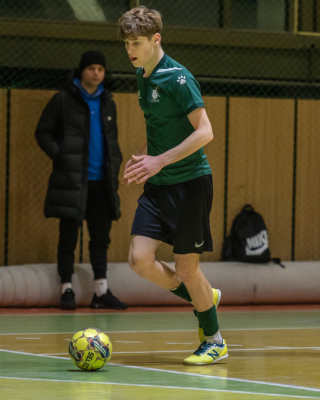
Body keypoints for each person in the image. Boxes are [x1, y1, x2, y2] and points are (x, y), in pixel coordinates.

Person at [118, 5, 227, 365]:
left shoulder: (178, 78)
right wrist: (143, 158)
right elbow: (159, 128)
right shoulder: (142, 76)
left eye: (136, 43)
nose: (130, 50)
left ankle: (214, 340)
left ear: (156, 39)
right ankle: (203, 297)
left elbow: (206, 132)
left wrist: (159, 160)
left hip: (190, 184)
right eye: (126, 44)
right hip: (159, 184)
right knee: (139, 260)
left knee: (187, 269)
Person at [35, 51, 127, 311]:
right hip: (72, 181)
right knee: (68, 238)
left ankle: (101, 291)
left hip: (102, 182)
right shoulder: (63, 99)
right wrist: (61, 156)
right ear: (81, 71)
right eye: (91, 68)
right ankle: (66, 289)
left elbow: (110, 140)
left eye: (100, 68)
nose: (96, 73)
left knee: (100, 239)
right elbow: (43, 132)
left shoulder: (109, 102)